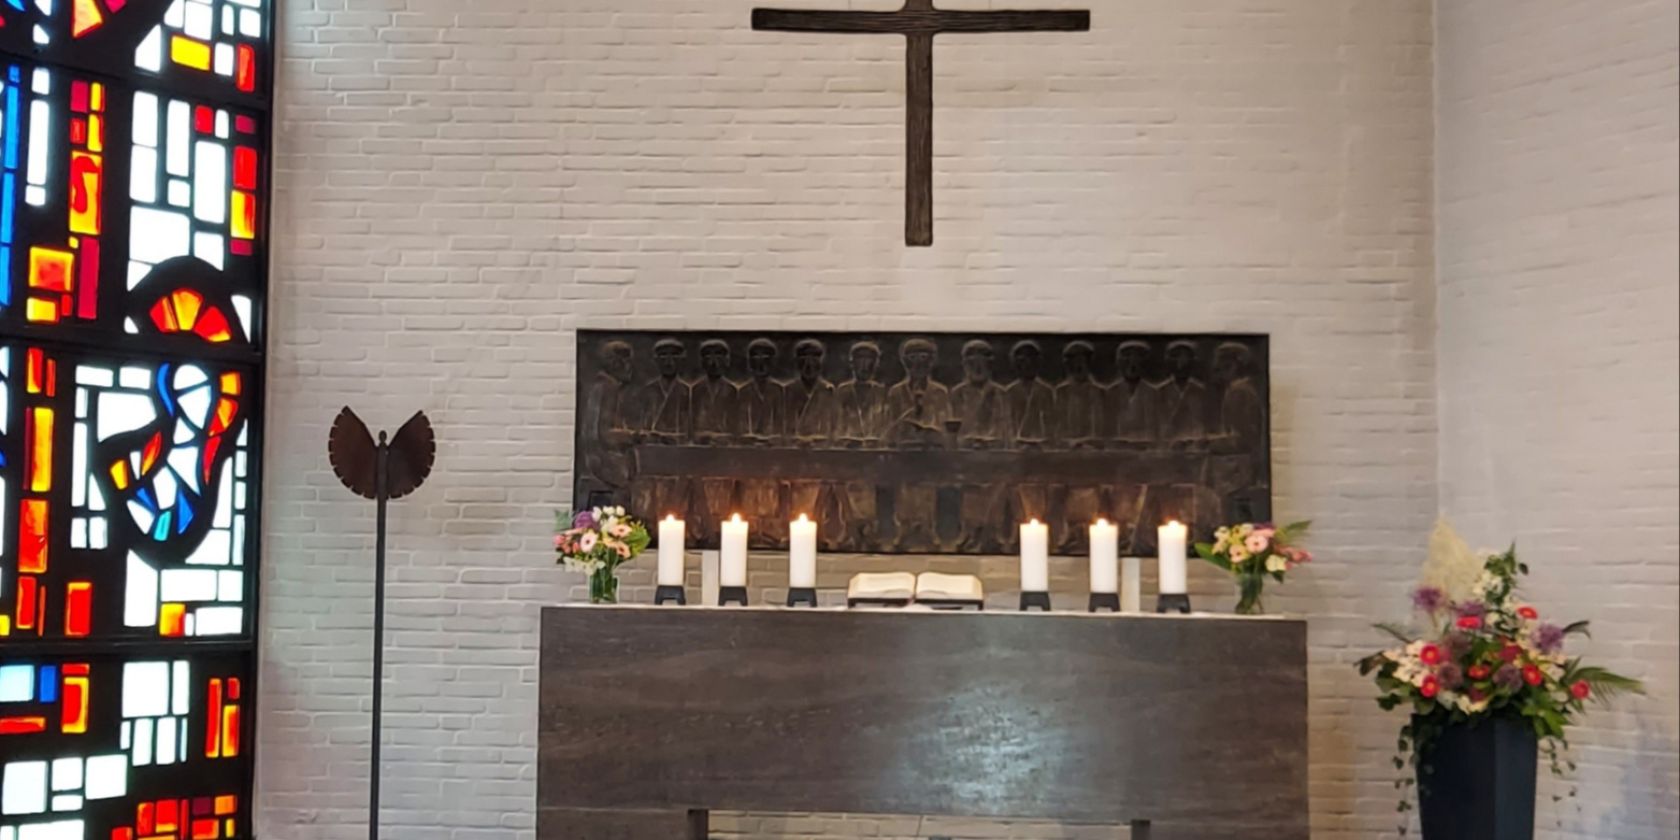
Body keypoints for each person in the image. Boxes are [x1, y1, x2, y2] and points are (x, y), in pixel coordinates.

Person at [885, 338, 950, 550]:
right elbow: (888, 426)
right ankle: (904, 530)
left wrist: (932, 433)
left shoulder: (939, 392)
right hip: (904, 452)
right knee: (904, 494)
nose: (918, 364)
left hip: (929, 453)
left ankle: (927, 530)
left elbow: (946, 424)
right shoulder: (896, 393)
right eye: (913, 358)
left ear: (932, 362)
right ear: (905, 362)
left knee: (927, 493)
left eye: (924, 358)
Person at [1109, 340, 1161, 444]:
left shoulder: (1153, 393)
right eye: (1127, 358)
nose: (1133, 365)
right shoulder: (1111, 392)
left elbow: (1154, 429)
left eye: (1137, 359)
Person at [1159, 340, 1208, 445]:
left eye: (1187, 357)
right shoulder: (1159, 391)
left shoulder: (1202, 391)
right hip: (1166, 447)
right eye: (1176, 356)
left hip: (1195, 446)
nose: (1181, 362)